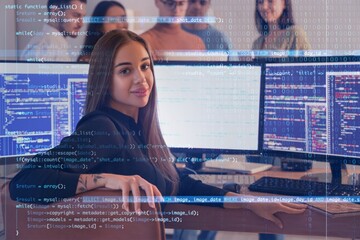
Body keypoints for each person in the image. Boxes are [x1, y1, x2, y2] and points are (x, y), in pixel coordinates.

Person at [10, 30, 306, 231]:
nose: (141, 79)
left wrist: (243, 199)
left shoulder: (136, 128)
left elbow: (177, 184)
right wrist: (106, 180)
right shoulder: (104, 128)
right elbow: (24, 182)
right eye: (125, 70)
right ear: (105, 79)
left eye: (145, 66)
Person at [20, 0, 87, 62]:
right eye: (76, 16)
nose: (81, 24)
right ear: (55, 12)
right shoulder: (46, 46)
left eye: (83, 17)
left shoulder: (53, 44)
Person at [141, 0, 206, 60]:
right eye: (170, 3)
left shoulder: (197, 42)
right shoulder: (144, 42)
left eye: (181, 3)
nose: (176, 10)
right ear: (157, 2)